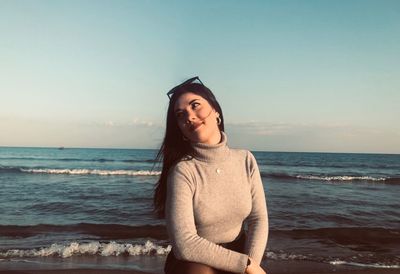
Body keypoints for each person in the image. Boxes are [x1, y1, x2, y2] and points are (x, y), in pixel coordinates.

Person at [153, 76, 268, 274]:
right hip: (194, 262)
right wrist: (246, 266)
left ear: (216, 111)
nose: (189, 116)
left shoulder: (245, 159)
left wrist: (252, 265)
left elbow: (258, 219)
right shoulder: (183, 171)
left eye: (195, 105)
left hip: (239, 254)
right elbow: (185, 244)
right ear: (181, 130)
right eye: (180, 115)